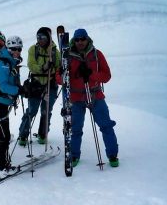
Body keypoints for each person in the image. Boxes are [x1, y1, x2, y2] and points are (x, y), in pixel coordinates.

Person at [64, 28, 119, 167]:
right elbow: (59, 77)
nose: (80, 42)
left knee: (106, 126)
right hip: (76, 98)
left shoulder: (96, 54)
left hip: (95, 95)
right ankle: (74, 155)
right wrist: (67, 77)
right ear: (73, 41)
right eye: (77, 39)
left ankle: (112, 155)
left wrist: (91, 74)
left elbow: (107, 76)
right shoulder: (67, 56)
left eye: (82, 39)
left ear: (87, 39)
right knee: (75, 129)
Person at [0, 35, 24, 178]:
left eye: (19, 49)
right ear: (8, 48)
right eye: (14, 49)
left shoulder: (8, 61)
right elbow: (3, 86)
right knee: (4, 137)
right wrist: (19, 90)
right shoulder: (3, 63)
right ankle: (2, 168)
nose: (17, 52)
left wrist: (20, 89)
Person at [18, 27, 60, 146]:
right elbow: (31, 65)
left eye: (43, 37)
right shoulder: (33, 49)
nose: (40, 39)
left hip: (50, 84)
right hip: (36, 84)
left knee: (46, 110)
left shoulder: (55, 52)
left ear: (48, 38)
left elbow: (58, 67)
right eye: (38, 37)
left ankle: (43, 134)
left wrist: (54, 67)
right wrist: (43, 67)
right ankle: (23, 134)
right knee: (32, 110)